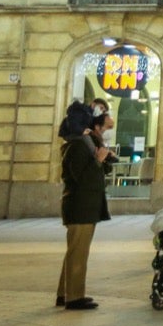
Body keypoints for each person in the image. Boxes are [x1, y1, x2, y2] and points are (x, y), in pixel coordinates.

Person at [56, 101, 111, 310]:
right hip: (80, 207)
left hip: (83, 206)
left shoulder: (81, 142)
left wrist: (101, 160)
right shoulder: (77, 145)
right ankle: (74, 297)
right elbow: (82, 176)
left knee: (74, 252)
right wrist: (97, 160)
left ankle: (65, 293)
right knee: (78, 254)